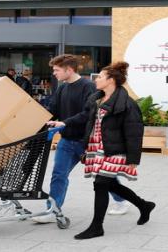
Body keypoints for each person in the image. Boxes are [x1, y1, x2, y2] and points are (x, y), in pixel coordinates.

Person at [31, 54, 126, 223]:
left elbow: (88, 113)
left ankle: (120, 201)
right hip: (67, 141)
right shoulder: (62, 88)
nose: (54, 73)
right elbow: (52, 110)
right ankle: (53, 210)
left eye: (57, 70)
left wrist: (64, 123)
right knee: (59, 174)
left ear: (69, 69)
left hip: (88, 142)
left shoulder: (89, 87)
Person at [74, 61, 155, 240]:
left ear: (111, 80)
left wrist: (133, 157)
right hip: (97, 147)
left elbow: (134, 132)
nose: (95, 80)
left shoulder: (126, 103)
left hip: (115, 148)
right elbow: (89, 122)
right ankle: (144, 205)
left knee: (101, 184)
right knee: (110, 184)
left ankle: (96, 227)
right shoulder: (97, 98)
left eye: (100, 77)